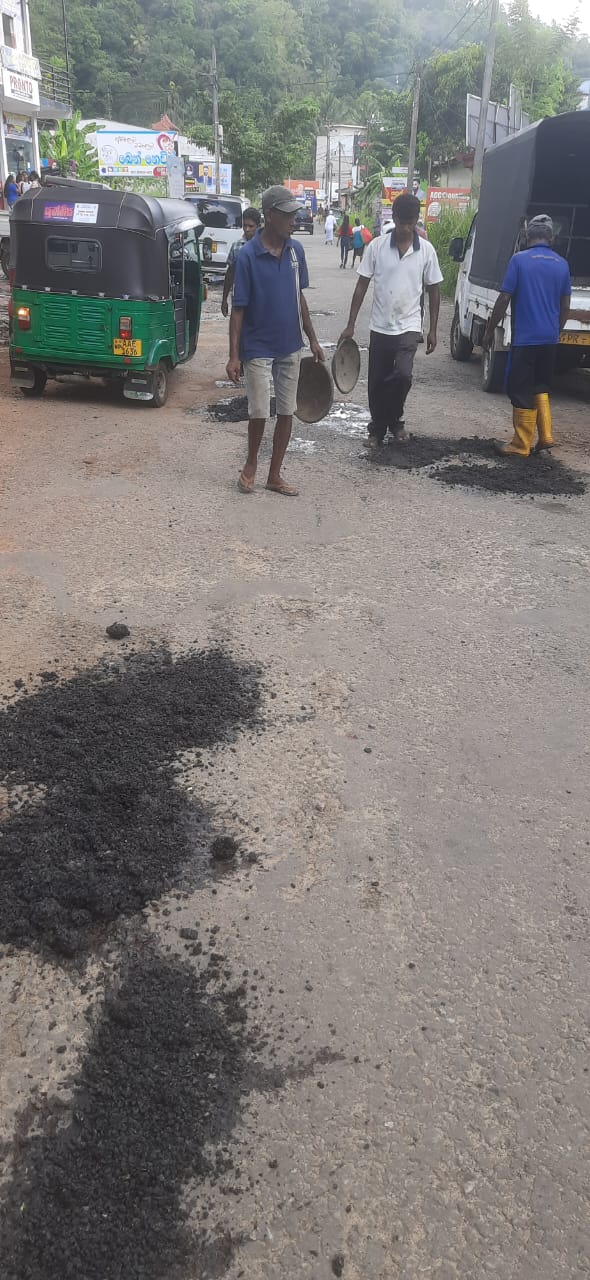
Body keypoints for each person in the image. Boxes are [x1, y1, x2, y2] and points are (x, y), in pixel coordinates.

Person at [227, 184, 325, 497]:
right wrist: (233, 355)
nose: (293, 221)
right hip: (256, 347)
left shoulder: (296, 250)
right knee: (258, 411)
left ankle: (274, 474)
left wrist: (313, 339)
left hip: (290, 344)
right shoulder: (247, 256)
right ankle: (252, 463)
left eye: (295, 215)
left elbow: (299, 297)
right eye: (288, 215)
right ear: (270, 216)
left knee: (286, 410)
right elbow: (238, 310)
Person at [339, 193, 442, 447]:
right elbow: (361, 285)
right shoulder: (377, 247)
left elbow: (434, 290)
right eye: (402, 222)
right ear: (393, 219)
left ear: (416, 221)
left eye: (410, 223)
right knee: (377, 380)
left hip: (409, 326)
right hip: (380, 326)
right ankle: (377, 431)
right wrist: (351, 324)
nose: (406, 228)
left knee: (403, 376)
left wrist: (432, 330)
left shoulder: (426, 251)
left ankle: (395, 420)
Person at [483, 214, 571, 457]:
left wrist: (490, 330)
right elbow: (565, 305)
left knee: (519, 387)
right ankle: (546, 437)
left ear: (527, 237)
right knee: (540, 384)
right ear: (551, 238)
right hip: (549, 338)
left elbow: (504, 298)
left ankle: (521, 444)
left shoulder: (519, 260)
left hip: (527, 339)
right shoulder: (562, 264)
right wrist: (557, 329)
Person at [221, 206, 261, 317]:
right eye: (245, 226)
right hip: (240, 298)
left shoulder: (264, 247)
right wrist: (224, 299)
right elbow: (230, 274)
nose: (247, 229)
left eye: (251, 226)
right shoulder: (236, 247)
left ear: (258, 226)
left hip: (260, 299)